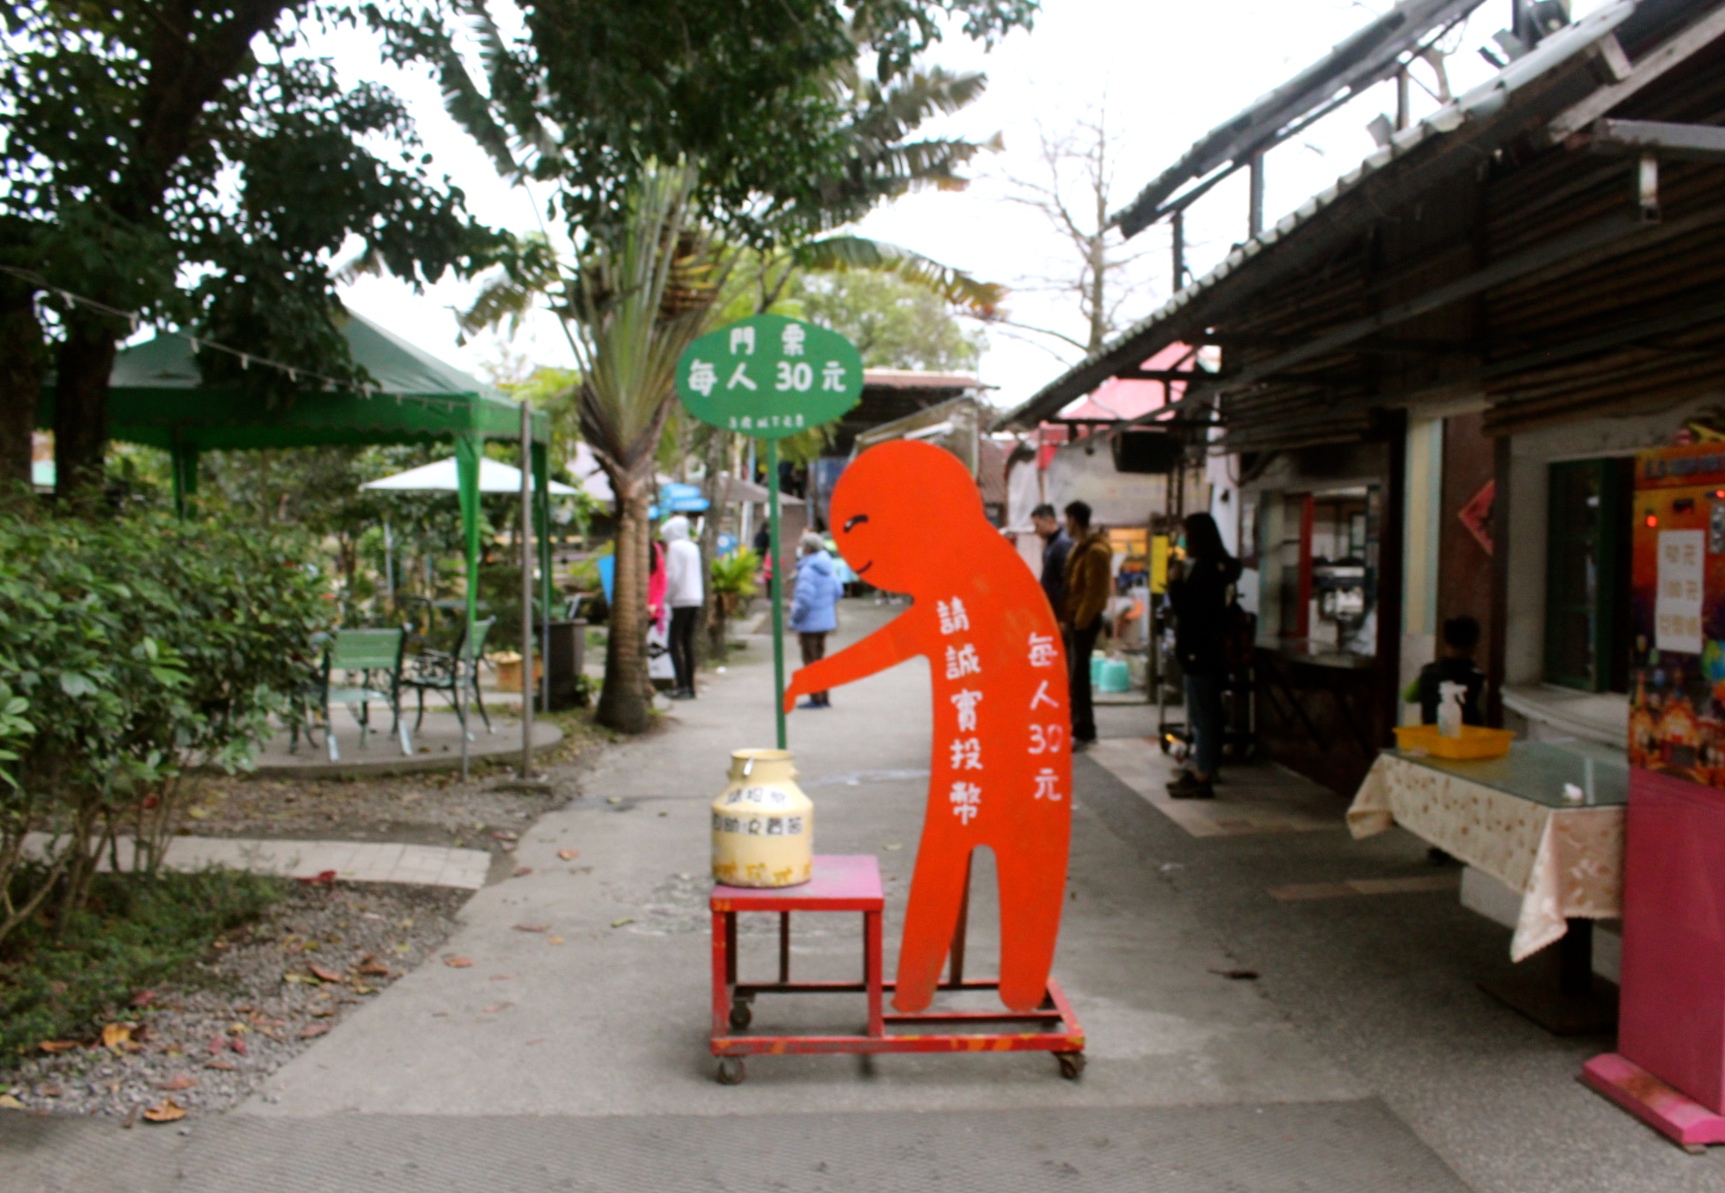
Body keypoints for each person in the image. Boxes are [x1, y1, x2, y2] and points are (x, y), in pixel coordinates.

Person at [1164, 512, 1242, 799]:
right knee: (1203, 712)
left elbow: (1189, 610)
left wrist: (1174, 583)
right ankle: (1203, 766)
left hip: (1200, 651)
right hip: (1208, 649)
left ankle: (1203, 774)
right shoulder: (1218, 567)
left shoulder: (1205, 570)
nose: (1184, 539)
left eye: (1187, 533)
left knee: (1205, 714)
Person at [1060, 500, 1112, 747]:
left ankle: (1084, 729)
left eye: (1067, 519)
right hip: (1075, 620)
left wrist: (1080, 621)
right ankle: (1079, 725)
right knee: (1075, 676)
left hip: (1085, 622)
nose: (1065, 525)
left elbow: (1095, 593)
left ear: (1074, 520)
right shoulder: (1080, 549)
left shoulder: (1095, 552)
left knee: (1080, 676)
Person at [788, 531, 842, 708]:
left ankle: (815, 698)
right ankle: (824, 696)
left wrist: (795, 620)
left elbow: (804, 600)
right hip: (825, 622)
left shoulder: (808, 570)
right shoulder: (827, 566)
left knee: (810, 661)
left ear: (807, 549)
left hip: (809, 623)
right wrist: (826, 607)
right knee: (820, 659)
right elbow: (838, 591)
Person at [661, 515, 703, 700]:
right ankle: (690, 686)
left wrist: (666, 598)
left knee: (673, 642)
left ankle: (680, 684)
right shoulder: (693, 547)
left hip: (680, 599)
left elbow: (673, 576)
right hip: (695, 597)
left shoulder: (675, 548)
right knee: (687, 642)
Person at [1418, 615, 1486, 726]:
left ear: (1446, 644)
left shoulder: (1427, 672)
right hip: (1466, 740)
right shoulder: (1477, 679)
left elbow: (1408, 695)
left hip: (1432, 738)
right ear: (1473, 649)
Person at [1031, 502, 1072, 617]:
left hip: (1059, 611)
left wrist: (1064, 615)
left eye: (1037, 525)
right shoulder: (1050, 544)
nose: (1036, 530)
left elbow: (1067, 582)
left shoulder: (1062, 544)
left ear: (1049, 521)